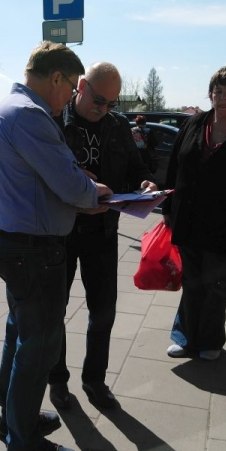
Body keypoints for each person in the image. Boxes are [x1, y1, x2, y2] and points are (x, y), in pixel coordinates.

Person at [0, 41, 113, 451]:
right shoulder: (31, 115)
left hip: (18, 245)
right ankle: (23, 446)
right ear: (56, 77)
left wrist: (77, 182)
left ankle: (13, 420)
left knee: (19, 338)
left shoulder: (10, 110)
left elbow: (44, 175)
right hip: (34, 251)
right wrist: (91, 192)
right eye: (72, 87)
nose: (70, 97)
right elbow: (70, 185)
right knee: (37, 348)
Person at [48, 63, 157, 410]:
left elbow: (136, 168)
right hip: (62, 233)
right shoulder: (54, 120)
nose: (103, 109)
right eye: (98, 100)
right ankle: (57, 380)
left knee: (104, 311)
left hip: (104, 232)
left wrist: (145, 183)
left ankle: (94, 380)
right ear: (81, 86)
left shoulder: (118, 125)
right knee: (55, 311)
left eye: (111, 103)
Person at [161, 66, 226, 360]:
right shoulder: (194, 124)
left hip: (223, 223)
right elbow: (174, 167)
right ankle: (186, 339)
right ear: (210, 95)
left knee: (216, 284)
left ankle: (210, 342)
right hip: (188, 218)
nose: (223, 97)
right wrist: (167, 206)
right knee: (192, 282)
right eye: (218, 91)